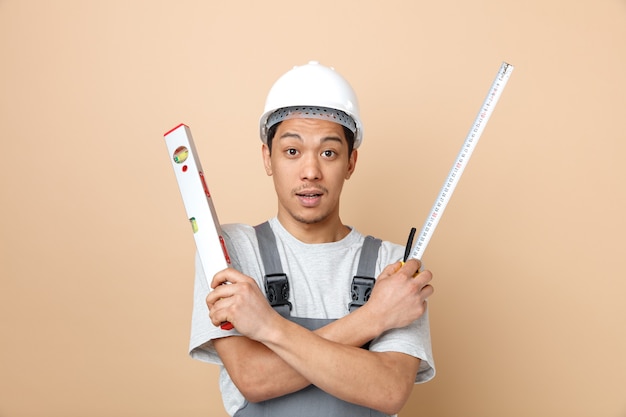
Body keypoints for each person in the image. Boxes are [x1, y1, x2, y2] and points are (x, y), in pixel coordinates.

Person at [189, 61, 435, 417]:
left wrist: (266, 328)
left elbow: (388, 389)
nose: (310, 172)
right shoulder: (229, 251)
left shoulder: (395, 269)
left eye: (328, 153)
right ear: (267, 158)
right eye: (292, 151)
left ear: (351, 162)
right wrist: (374, 317)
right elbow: (253, 379)